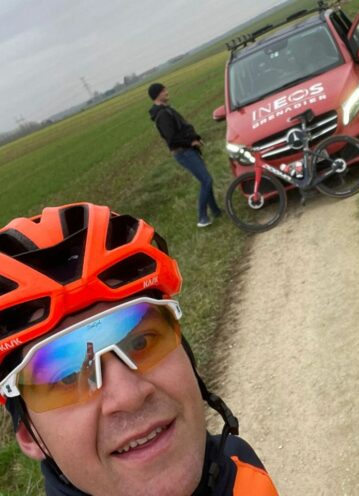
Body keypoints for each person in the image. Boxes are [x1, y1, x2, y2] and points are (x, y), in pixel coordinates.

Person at [0, 202, 278, 496]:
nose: (129, 397)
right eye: (68, 376)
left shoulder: (240, 469)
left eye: (141, 342)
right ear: (28, 435)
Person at [148, 83, 222, 228]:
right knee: (206, 180)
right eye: (164, 91)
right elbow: (172, 139)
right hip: (183, 152)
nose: (167, 92)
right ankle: (202, 218)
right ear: (157, 94)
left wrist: (195, 137)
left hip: (187, 149)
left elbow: (182, 129)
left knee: (205, 179)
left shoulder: (166, 110)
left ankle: (216, 211)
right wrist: (190, 142)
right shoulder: (162, 115)